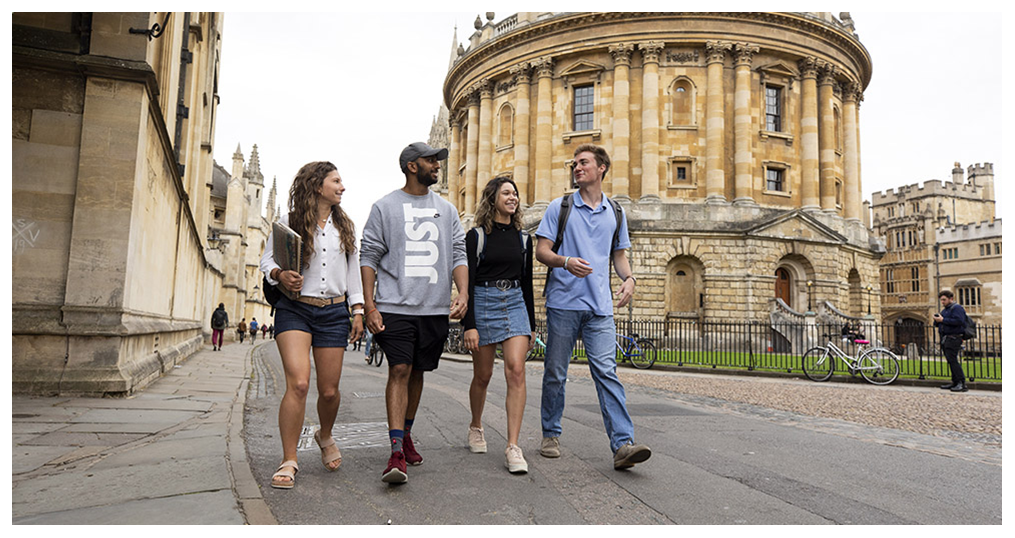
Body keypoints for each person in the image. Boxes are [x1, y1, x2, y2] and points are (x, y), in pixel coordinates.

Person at [534, 143, 651, 470]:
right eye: (574, 164)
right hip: (564, 303)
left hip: (600, 307)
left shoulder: (615, 211)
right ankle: (550, 432)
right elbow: (542, 251)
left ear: (601, 168)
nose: (577, 168)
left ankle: (622, 444)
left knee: (607, 372)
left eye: (583, 162)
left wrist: (629, 280)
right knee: (556, 373)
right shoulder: (560, 207)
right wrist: (565, 261)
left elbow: (619, 256)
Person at [360, 142, 467, 485]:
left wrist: (463, 292)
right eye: (430, 160)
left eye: (437, 160)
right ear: (411, 166)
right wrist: (369, 305)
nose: (437, 165)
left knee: (419, 371)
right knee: (400, 369)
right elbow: (369, 257)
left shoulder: (447, 210)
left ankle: (406, 434)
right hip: (394, 306)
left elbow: (459, 253)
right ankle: (395, 450)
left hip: (434, 308)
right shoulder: (385, 206)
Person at [259, 161, 365, 489]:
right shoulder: (288, 223)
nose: (342, 186)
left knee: (329, 390)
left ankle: (325, 433)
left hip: (333, 313)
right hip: (295, 310)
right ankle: (289, 459)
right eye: (336, 181)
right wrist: (279, 275)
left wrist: (357, 309)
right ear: (318, 185)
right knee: (299, 384)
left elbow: (352, 270)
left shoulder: (345, 227)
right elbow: (267, 261)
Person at [463, 176, 535, 474]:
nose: (513, 197)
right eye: (506, 193)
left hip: (515, 301)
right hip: (483, 301)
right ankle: (476, 425)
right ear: (493, 198)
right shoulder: (476, 236)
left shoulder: (524, 239)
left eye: (515, 193)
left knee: (516, 369)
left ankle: (513, 445)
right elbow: (466, 282)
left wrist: (530, 324)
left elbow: (528, 283)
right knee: (483, 374)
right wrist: (469, 324)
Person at [933, 290, 969, 392]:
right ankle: (955, 381)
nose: (942, 302)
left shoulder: (957, 308)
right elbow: (941, 323)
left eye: (944, 300)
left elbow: (959, 321)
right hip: (946, 338)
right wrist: (937, 321)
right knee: (950, 361)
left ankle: (961, 383)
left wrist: (943, 320)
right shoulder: (945, 310)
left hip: (954, 337)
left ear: (951, 299)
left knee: (953, 360)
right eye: (941, 300)